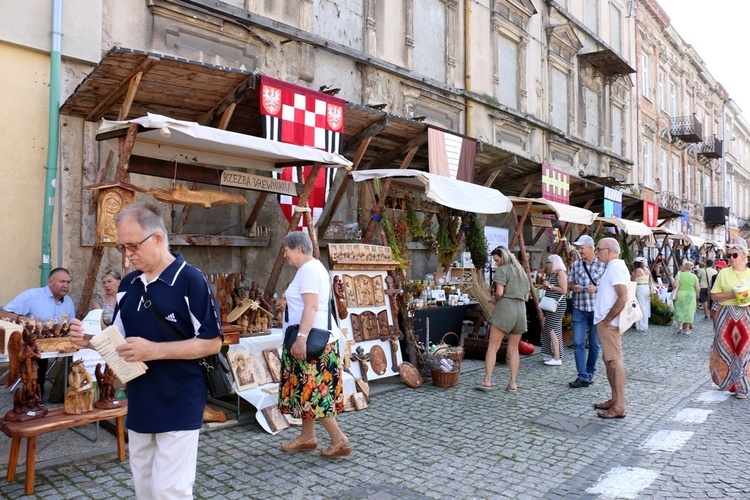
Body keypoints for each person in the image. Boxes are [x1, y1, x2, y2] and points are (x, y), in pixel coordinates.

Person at [69, 203, 223, 499]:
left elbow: (212, 342)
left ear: (157, 239)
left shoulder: (190, 279)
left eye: (132, 245)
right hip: (140, 397)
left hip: (181, 397)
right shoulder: (129, 283)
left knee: (170, 491)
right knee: (145, 487)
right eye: (122, 247)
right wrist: (89, 340)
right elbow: (120, 340)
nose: (127, 254)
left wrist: (154, 350)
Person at [277, 231, 350, 458]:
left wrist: (300, 338)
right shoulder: (312, 267)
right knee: (305, 390)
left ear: (298, 248)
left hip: (310, 344)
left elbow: (311, 307)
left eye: (286, 251)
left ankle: (339, 440)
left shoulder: (308, 270)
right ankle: (307, 437)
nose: (285, 255)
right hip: (314, 341)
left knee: (314, 393)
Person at [0, 267, 76, 400]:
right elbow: (3, 313)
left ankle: (70, 394)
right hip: (31, 344)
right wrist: (20, 318)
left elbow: (69, 326)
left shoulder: (68, 301)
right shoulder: (32, 296)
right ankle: (34, 398)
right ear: (50, 282)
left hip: (55, 343)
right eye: (62, 282)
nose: (66, 285)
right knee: (36, 361)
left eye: (68, 282)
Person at [475, 246, 530, 392]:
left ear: (503, 257)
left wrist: (493, 299)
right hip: (520, 311)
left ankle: (487, 380)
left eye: (496, 260)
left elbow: (500, 292)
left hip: (506, 309)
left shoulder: (502, 270)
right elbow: (526, 297)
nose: (496, 263)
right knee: (513, 349)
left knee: (493, 347)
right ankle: (512, 383)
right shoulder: (521, 272)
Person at [592, 237, 630, 419]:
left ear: (609, 251)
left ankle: (619, 405)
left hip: (610, 323)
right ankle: (615, 400)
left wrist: (608, 319)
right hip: (606, 322)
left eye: (598, 249)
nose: (597, 253)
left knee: (614, 363)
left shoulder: (615, 267)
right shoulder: (613, 267)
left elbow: (623, 297)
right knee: (610, 362)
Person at [709, 244, 750, 399]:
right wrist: (732, 295)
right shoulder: (724, 273)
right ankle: (727, 381)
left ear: (745, 257)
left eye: (735, 255)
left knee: (744, 350)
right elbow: (714, 295)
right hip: (725, 313)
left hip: (746, 314)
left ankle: (742, 387)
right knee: (724, 347)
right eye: (729, 255)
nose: (731, 258)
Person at [566, 235, 605, 389]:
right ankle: (582, 376)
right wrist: (573, 286)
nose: (580, 251)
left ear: (590, 248)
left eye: (581, 248)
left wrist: (597, 288)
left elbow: (610, 287)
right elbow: (571, 282)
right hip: (580, 308)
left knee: (594, 344)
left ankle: (590, 373)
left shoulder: (603, 264)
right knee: (578, 342)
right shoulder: (577, 264)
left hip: (597, 310)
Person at [540, 254, 568, 366]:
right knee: (550, 328)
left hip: (557, 305)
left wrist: (550, 286)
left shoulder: (561, 273)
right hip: (552, 304)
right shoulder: (554, 274)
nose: (548, 264)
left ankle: (557, 357)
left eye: (549, 262)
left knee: (552, 329)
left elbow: (563, 290)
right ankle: (554, 354)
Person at [672, 261, 699, 334]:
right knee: (690, 310)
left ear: (684, 267)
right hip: (690, 294)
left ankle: (680, 325)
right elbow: (698, 288)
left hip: (680, 293)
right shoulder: (694, 276)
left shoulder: (679, 275)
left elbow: (674, 285)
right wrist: (697, 295)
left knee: (679, 309)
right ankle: (687, 328)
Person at [631, 257, 652, 332]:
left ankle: (640, 326)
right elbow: (650, 279)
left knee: (640, 307)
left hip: (640, 287)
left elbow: (632, 279)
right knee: (645, 307)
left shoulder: (638, 270)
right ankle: (644, 325)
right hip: (646, 287)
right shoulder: (646, 269)